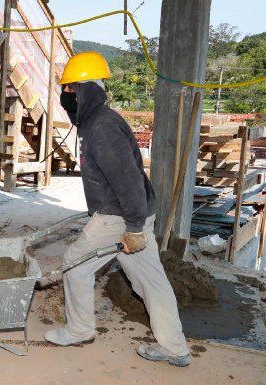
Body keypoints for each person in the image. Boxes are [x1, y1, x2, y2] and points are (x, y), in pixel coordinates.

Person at [44, 51, 190, 367]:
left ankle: (79, 329)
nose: (64, 95)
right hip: (131, 213)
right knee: (151, 282)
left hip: (119, 216)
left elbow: (126, 181)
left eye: (69, 89)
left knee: (74, 263)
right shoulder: (97, 120)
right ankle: (174, 347)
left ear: (85, 91)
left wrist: (134, 228)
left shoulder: (101, 127)